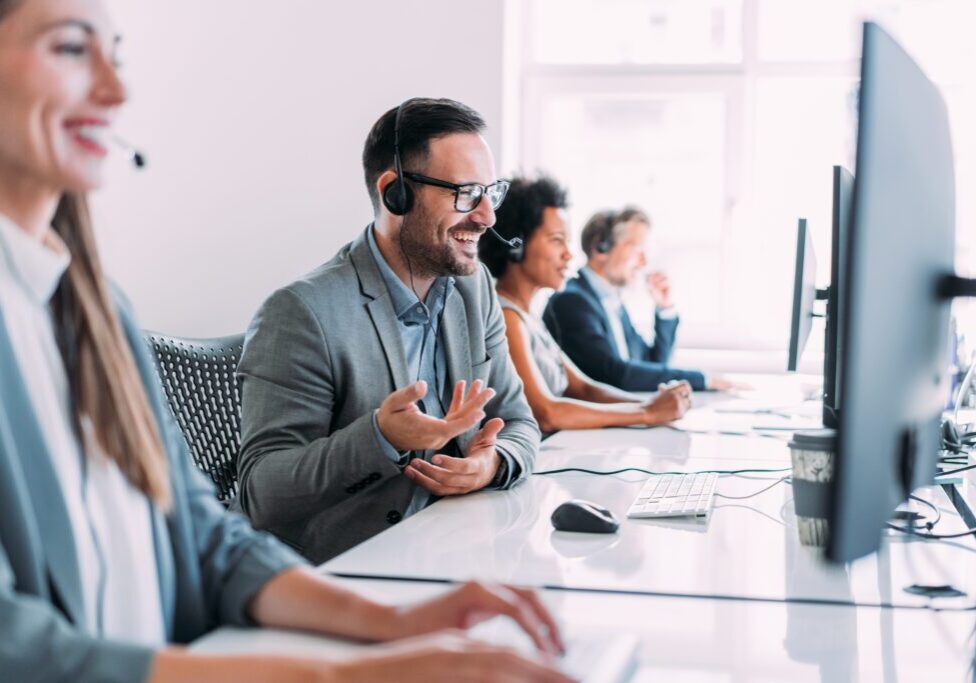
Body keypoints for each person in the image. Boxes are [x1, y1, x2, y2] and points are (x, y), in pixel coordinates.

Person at [0, 1, 570, 681]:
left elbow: (204, 535)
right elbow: (21, 647)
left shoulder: (94, 310)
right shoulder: (302, 311)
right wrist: (336, 675)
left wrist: (396, 624)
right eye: (70, 48)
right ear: (394, 195)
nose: (117, 92)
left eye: (116, 56)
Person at [234, 98, 540, 563]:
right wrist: (381, 437)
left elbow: (519, 421)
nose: (486, 216)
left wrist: (489, 464)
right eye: (464, 194)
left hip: (458, 550)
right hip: (352, 571)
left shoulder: (472, 289)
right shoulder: (301, 312)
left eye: (489, 193)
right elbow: (261, 492)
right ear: (395, 192)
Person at [478, 175, 693, 432]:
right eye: (557, 240)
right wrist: (646, 412)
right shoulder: (507, 317)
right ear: (516, 245)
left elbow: (583, 388)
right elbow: (546, 412)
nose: (569, 254)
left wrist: (653, 403)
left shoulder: (528, 316)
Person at [543, 207, 734, 393]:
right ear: (601, 247)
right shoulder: (571, 301)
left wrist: (664, 308)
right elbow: (616, 375)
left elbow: (652, 364)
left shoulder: (611, 302)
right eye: (637, 249)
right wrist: (701, 380)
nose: (643, 262)